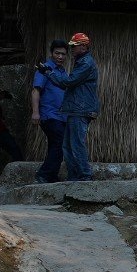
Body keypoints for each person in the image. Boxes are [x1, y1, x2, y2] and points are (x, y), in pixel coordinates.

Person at [59, 30, 100, 180]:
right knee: (68, 146)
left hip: (80, 109)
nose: (72, 49)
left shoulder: (86, 63)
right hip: (77, 108)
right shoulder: (83, 62)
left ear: (83, 47)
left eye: (74, 46)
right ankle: (75, 176)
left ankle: (84, 175)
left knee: (76, 144)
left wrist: (50, 73)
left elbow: (69, 82)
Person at [33, 39, 71, 182]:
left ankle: (51, 176)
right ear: (51, 53)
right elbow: (36, 90)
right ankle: (43, 174)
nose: (60, 57)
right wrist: (35, 112)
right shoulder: (44, 69)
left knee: (55, 145)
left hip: (62, 116)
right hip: (49, 114)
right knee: (60, 143)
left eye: (63, 54)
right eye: (57, 53)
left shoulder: (63, 73)